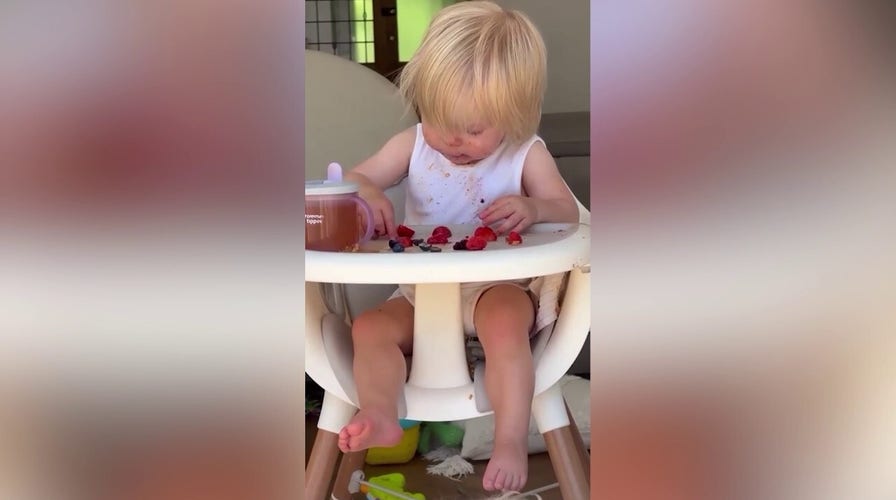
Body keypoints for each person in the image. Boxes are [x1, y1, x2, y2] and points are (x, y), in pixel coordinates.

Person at [337, 1, 579, 493]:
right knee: (369, 327)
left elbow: (566, 210)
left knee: (506, 322)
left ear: (512, 116)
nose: (454, 141)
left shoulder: (524, 151)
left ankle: (510, 437)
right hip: (419, 294)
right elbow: (357, 177)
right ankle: (382, 412)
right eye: (440, 119)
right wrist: (368, 191)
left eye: (474, 130)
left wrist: (534, 209)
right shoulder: (414, 143)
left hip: (496, 286)